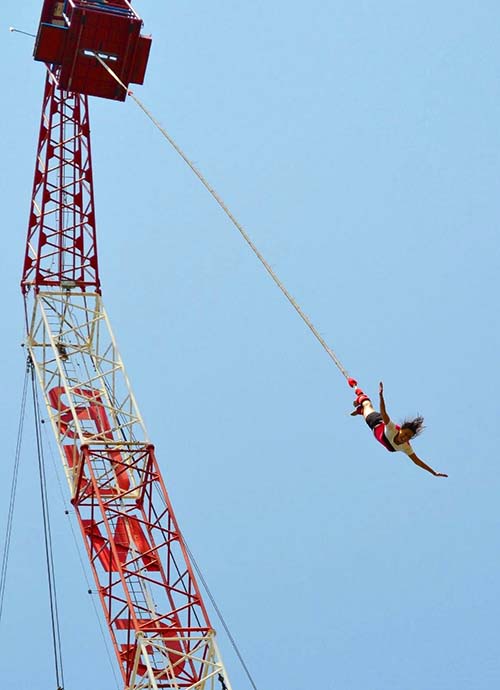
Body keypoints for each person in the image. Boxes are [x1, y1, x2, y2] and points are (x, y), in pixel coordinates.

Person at [351, 381, 448, 478]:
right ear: (400, 430)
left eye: (408, 437)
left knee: (364, 410)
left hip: (375, 430)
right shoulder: (392, 428)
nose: (405, 437)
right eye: (405, 434)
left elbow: (417, 461)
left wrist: (433, 472)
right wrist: (381, 396)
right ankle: (360, 395)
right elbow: (384, 413)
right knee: (367, 404)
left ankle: (361, 410)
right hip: (376, 421)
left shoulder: (406, 447)